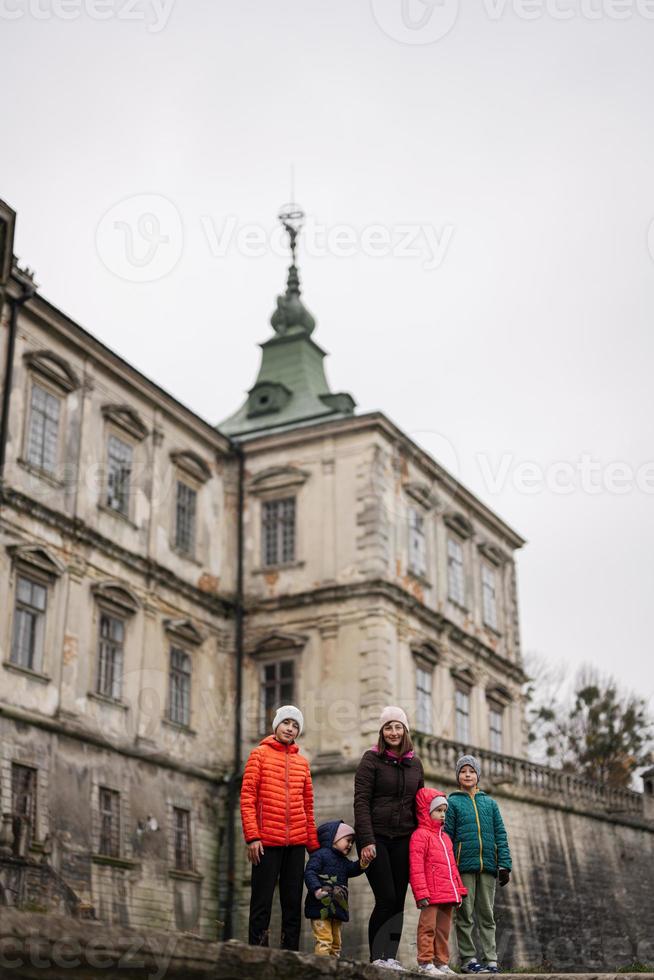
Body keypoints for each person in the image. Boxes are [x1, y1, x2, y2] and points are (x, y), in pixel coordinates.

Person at [240, 704, 320, 950]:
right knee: (261, 902)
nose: (290, 728)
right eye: (286, 723)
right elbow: (247, 798)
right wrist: (253, 837)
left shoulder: (302, 763)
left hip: (295, 844)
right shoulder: (259, 755)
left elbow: (307, 806)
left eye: (295, 726)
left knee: (292, 902)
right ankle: (257, 952)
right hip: (266, 843)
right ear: (277, 725)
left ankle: (290, 955)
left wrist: (313, 846)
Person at [354, 705, 425, 971]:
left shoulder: (415, 764)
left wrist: (423, 841)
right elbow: (361, 801)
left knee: (398, 900)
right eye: (388, 727)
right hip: (376, 838)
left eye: (398, 727)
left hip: (405, 838)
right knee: (384, 898)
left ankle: (391, 957)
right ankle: (377, 958)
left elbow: (420, 803)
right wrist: (367, 840)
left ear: (405, 731)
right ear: (382, 732)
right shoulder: (370, 760)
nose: (393, 732)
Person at [444, 755, 512, 974]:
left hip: (489, 867)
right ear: (458, 777)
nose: (467, 774)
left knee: (487, 914)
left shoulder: (490, 804)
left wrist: (505, 864)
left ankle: (491, 959)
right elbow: (447, 836)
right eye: (463, 771)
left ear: (477, 776)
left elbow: (500, 834)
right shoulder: (452, 803)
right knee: (464, 914)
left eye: (471, 771)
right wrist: (449, 865)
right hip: (463, 866)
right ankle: (468, 959)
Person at [409, 787, 467, 976]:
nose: (443, 815)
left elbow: (452, 867)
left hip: (447, 893)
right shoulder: (420, 836)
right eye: (438, 811)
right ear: (427, 812)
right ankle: (425, 962)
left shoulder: (446, 838)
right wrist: (421, 893)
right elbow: (416, 868)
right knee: (427, 928)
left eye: (444, 811)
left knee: (443, 930)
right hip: (430, 894)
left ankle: (441, 962)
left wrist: (459, 890)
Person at [304, 820, 373, 957]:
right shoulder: (320, 855)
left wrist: (363, 863)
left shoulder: (342, 860)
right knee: (324, 940)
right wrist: (317, 889)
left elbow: (352, 869)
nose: (350, 844)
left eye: (352, 842)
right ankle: (322, 969)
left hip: (337, 908)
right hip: (320, 908)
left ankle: (334, 970)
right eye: (347, 840)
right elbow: (310, 872)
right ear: (333, 838)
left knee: (336, 943)